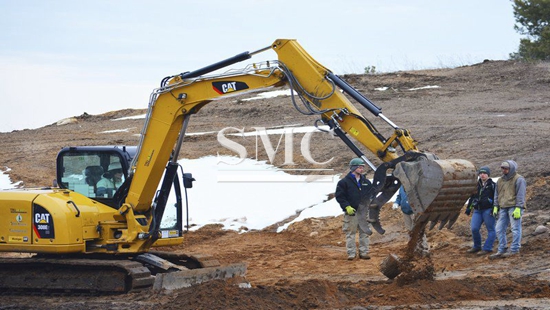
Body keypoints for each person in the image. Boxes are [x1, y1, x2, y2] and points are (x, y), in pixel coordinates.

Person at [335, 158, 373, 260]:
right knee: (350, 233)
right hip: (352, 212)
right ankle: (351, 253)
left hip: (364, 212)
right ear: (353, 168)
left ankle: (364, 252)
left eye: (362, 167)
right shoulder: (344, 182)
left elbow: (371, 195)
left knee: (364, 233)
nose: (362, 169)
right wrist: (347, 206)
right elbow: (340, 196)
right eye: (360, 167)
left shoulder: (366, 182)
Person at [489, 160, 527, 259]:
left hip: (514, 207)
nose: (504, 170)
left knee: (515, 228)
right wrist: (495, 205)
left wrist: (519, 208)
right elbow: (497, 194)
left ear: (511, 168)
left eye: (506, 168)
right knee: (499, 229)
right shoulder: (500, 180)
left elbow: (521, 194)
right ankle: (502, 249)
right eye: (502, 168)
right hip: (503, 207)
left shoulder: (519, 179)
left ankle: (514, 249)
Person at [464, 166, 496, 255]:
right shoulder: (476, 185)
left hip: (488, 210)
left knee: (491, 229)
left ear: (488, 174)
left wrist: (494, 208)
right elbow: (472, 197)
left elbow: (496, 198)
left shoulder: (493, 185)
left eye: (484, 173)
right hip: (477, 210)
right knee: (474, 228)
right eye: (481, 173)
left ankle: (487, 248)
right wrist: (468, 208)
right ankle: (477, 246)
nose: (482, 175)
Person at [392, 185, 429, 254]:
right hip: (406, 212)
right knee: (409, 230)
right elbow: (399, 197)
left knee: (419, 230)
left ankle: (424, 248)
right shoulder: (402, 187)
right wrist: (396, 202)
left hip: (415, 211)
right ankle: (412, 248)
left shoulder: (415, 185)